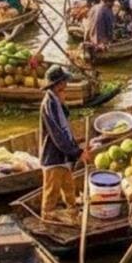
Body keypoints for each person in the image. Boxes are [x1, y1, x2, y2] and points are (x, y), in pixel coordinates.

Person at [40, 65, 85, 222]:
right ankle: (47, 216)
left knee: (68, 186)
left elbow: (64, 122)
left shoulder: (56, 101)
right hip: (53, 156)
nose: (66, 85)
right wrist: (78, 152)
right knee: (51, 190)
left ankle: (72, 209)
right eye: (64, 82)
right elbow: (58, 135)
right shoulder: (48, 105)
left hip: (63, 156)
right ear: (58, 84)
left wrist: (63, 101)